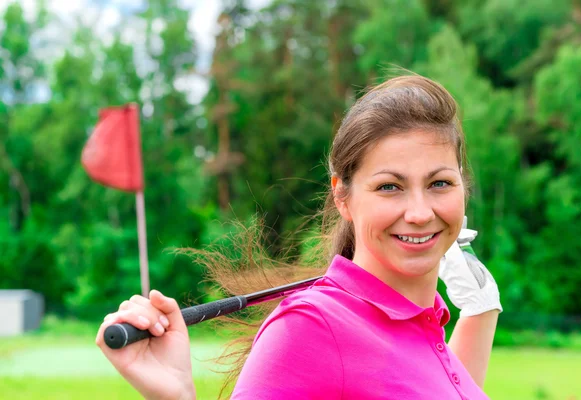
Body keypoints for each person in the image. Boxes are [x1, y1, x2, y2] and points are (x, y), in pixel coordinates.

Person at [96, 74, 502, 400]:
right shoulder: (313, 328)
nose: (419, 212)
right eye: (389, 187)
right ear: (342, 196)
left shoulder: (422, 324)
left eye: (440, 183)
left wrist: (481, 312)